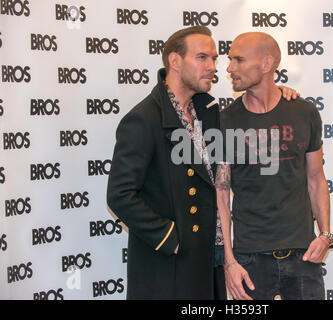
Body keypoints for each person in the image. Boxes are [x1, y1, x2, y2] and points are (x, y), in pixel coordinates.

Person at [107, 26, 299, 299]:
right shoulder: (144, 119)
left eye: (214, 59)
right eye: (202, 58)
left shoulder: (208, 113)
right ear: (175, 61)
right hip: (168, 267)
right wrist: (169, 237)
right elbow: (119, 195)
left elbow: (254, 107)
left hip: (208, 262)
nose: (212, 67)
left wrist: (278, 92)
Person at [216, 32, 333, 300]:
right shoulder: (225, 121)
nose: (229, 68)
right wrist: (229, 261)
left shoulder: (304, 112)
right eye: (230, 60)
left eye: (239, 60)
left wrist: (325, 234)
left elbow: (316, 178)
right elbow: (221, 195)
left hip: (304, 256)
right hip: (249, 260)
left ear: (267, 63)